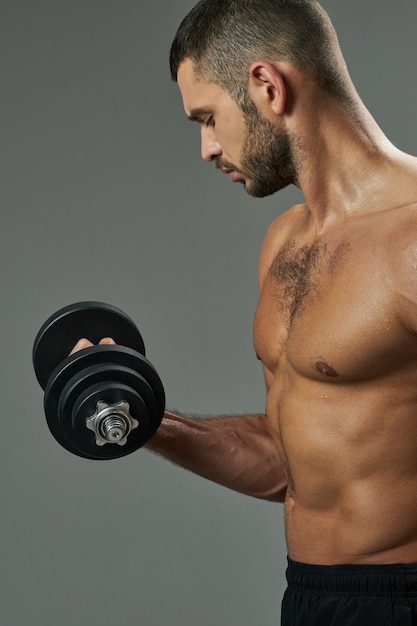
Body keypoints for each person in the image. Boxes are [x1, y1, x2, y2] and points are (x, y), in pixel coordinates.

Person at [74, 1, 417, 623]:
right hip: (311, 599)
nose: (206, 148)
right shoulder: (285, 243)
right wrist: (134, 411)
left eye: (208, 117)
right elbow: (290, 460)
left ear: (266, 85)